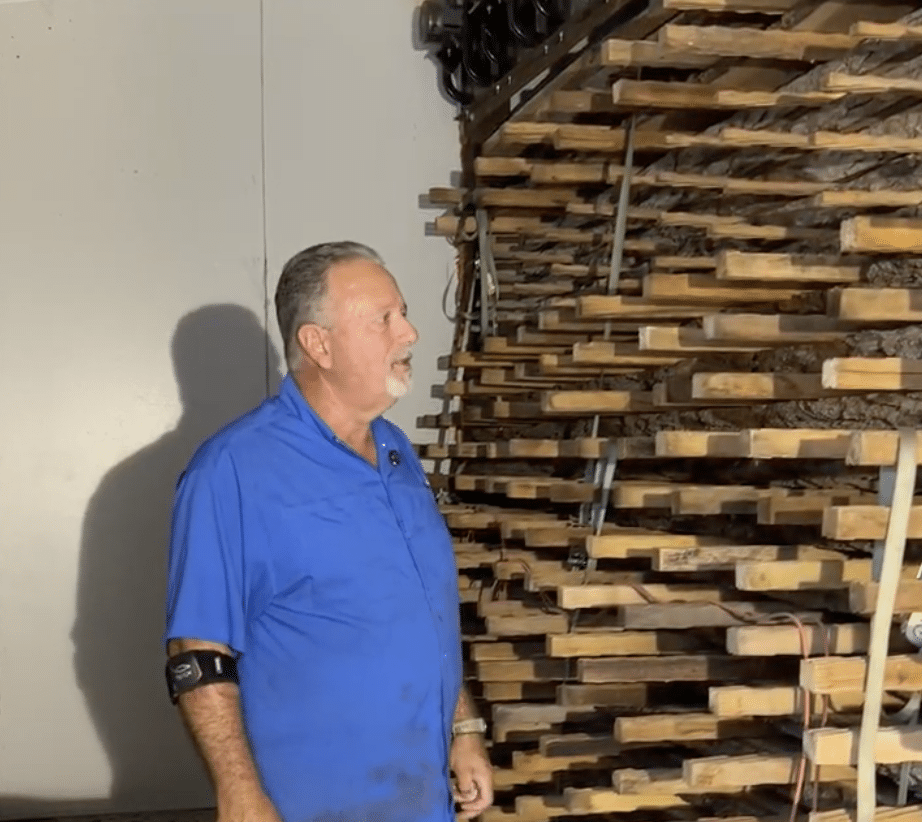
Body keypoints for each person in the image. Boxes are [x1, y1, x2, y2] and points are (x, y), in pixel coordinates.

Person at [164, 242, 493, 822]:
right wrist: (239, 793)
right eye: (383, 319)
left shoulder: (395, 451)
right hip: (312, 807)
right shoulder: (233, 470)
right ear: (319, 344)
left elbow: (424, 610)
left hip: (419, 802)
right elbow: (198, 651)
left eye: (403, 312)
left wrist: (462, 728)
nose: (409, 333)